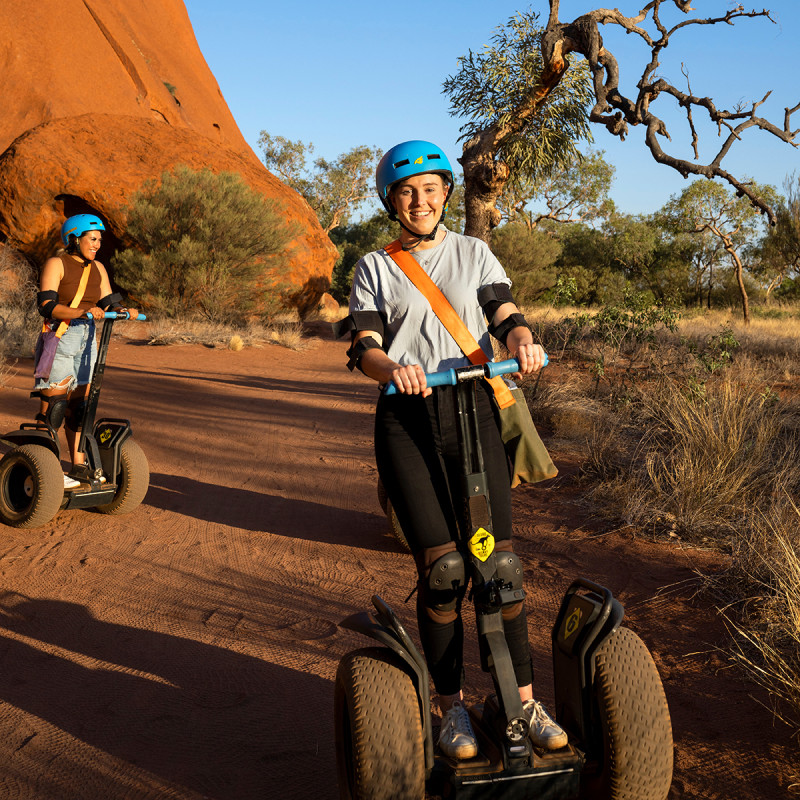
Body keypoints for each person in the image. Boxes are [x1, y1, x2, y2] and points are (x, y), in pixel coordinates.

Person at [336, 141, 567, 760]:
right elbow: (364, 344)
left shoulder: (473, 252)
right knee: (444, 572)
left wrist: (522, 340)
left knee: (500, 568)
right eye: (408, 191)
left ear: (446, 193)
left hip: (473, 411)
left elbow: (504, 312)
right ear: (391, 199)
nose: (421, 201)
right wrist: (391, 369)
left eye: (432, 189)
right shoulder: (373, 267)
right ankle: (451, 710)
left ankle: (518, 698)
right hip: (407, 422)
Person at [34, 214, 137, 488]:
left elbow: (108, 302)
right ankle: (47, 468)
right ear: (74, 238)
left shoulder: (98, 268)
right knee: (54, 407)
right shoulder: (56, 263)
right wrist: (82, 311)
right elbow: (47, 305)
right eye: (93, 239)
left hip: (87, 340)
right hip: (59, 338)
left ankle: (78, 467)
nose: (97, 244)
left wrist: (124, 311)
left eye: (99, 240)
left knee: (81, 408)